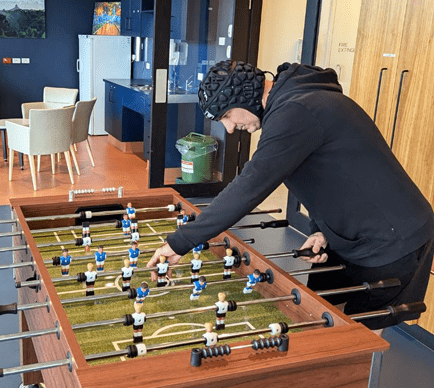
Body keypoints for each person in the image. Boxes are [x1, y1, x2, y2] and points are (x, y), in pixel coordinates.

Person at [147, 60, 434, 331]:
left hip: (392, 239)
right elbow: (331, 176)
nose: (231, 128)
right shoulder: (293, 106)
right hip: (351, 235)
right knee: (316, 318)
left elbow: (249, 186)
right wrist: (321, 230)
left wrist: (179, 242)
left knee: (357, 344)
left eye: (226, 116)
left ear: (243, 97)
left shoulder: (296, 111)